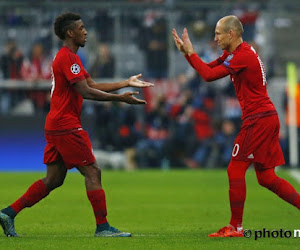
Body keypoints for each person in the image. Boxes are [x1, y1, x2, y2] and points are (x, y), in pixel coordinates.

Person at [0, 12, 153, 238]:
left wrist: (124, 83)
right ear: (70, 32)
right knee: (93, 171)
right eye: (81, 28)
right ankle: (103, 227)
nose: (86, 31)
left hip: (55, 124)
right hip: (66, 125)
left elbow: (90, 84)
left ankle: (8, 213)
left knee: (53, 179)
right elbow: (86, 91)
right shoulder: (67, 58)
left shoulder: (69, 57)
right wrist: (120, 99)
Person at [173, 15, 300, 237]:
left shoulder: (242, 56)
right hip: (266, 117)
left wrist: (191, 52)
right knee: (267, 178)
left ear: (231, 34)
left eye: (218, 34)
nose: (215, 38)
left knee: (235, 169)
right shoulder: (237, 53)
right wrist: (187, 53)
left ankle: (236, 227)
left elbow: (209, 75)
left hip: (258, 119)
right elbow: (207, 68)